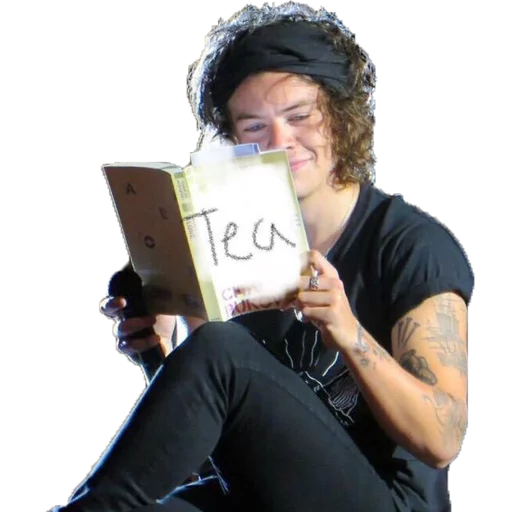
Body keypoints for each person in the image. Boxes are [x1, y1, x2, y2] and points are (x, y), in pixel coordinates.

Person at [51, 3, 474, 511]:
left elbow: (441, 440)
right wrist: (155, 351)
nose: (279, 143)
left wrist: (346, 330)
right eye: (254, 127)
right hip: (266, 497)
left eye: (299, 117)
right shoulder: (235, 242)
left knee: (220, 348)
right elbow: (220, 453)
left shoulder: (412, 245)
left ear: (342, 118)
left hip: (388, 502)